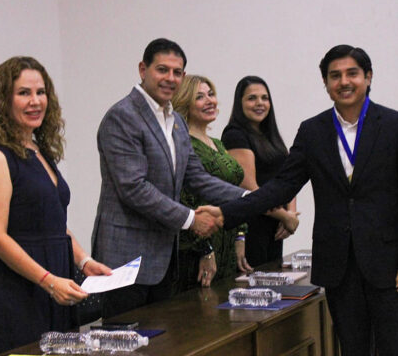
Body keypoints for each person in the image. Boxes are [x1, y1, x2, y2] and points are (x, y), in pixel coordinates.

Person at [202, 44, 398, 356]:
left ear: (368, 77)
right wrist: (230, 213)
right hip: (339, 265)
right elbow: (282, 184)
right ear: (325, 82)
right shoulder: (313, 130)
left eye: (352, 73)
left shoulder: (397, 126)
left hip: (388, 264)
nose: (344, 82)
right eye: (335, 75)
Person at [92, 38, 247, 319]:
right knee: (125, 352)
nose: (170, 78)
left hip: (163, 259)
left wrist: (250, 199)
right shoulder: (122, 116)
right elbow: (134, 188)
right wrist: (191, 219)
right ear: (143, 70)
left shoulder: (175, 121)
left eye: (177, 72)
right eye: (162, 70)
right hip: (126, 260)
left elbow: (196, 177)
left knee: (161, 347)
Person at [0, 56, 111, 356]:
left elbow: (53, 221)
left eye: (40, 92)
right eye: (24, 93)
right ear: (3, 100)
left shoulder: (38, 150)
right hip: (21, 290)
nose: (35, 101)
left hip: (57, 283)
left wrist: (84, 261)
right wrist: (47, 281)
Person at [170, 74, 253, 291]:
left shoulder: (218, 143)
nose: (209, 101)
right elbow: (184, 201)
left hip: (227, 242)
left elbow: (235, 189)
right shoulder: (183, 144)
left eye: (211, 94)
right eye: (200, 97)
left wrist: (240, 236)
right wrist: (204, 249)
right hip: (199, 248)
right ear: (185, 102)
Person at [222, 76, 299, 267]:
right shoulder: (234, 135)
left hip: (275, 227)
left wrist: (292, 214)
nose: (260, 103)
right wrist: (284, 216)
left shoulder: (271, 136)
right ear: (239, 103)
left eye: (265, 98)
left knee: (275, 287)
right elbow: (249, 188)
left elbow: (289, 178)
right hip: (252, 226)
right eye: (252, 98)